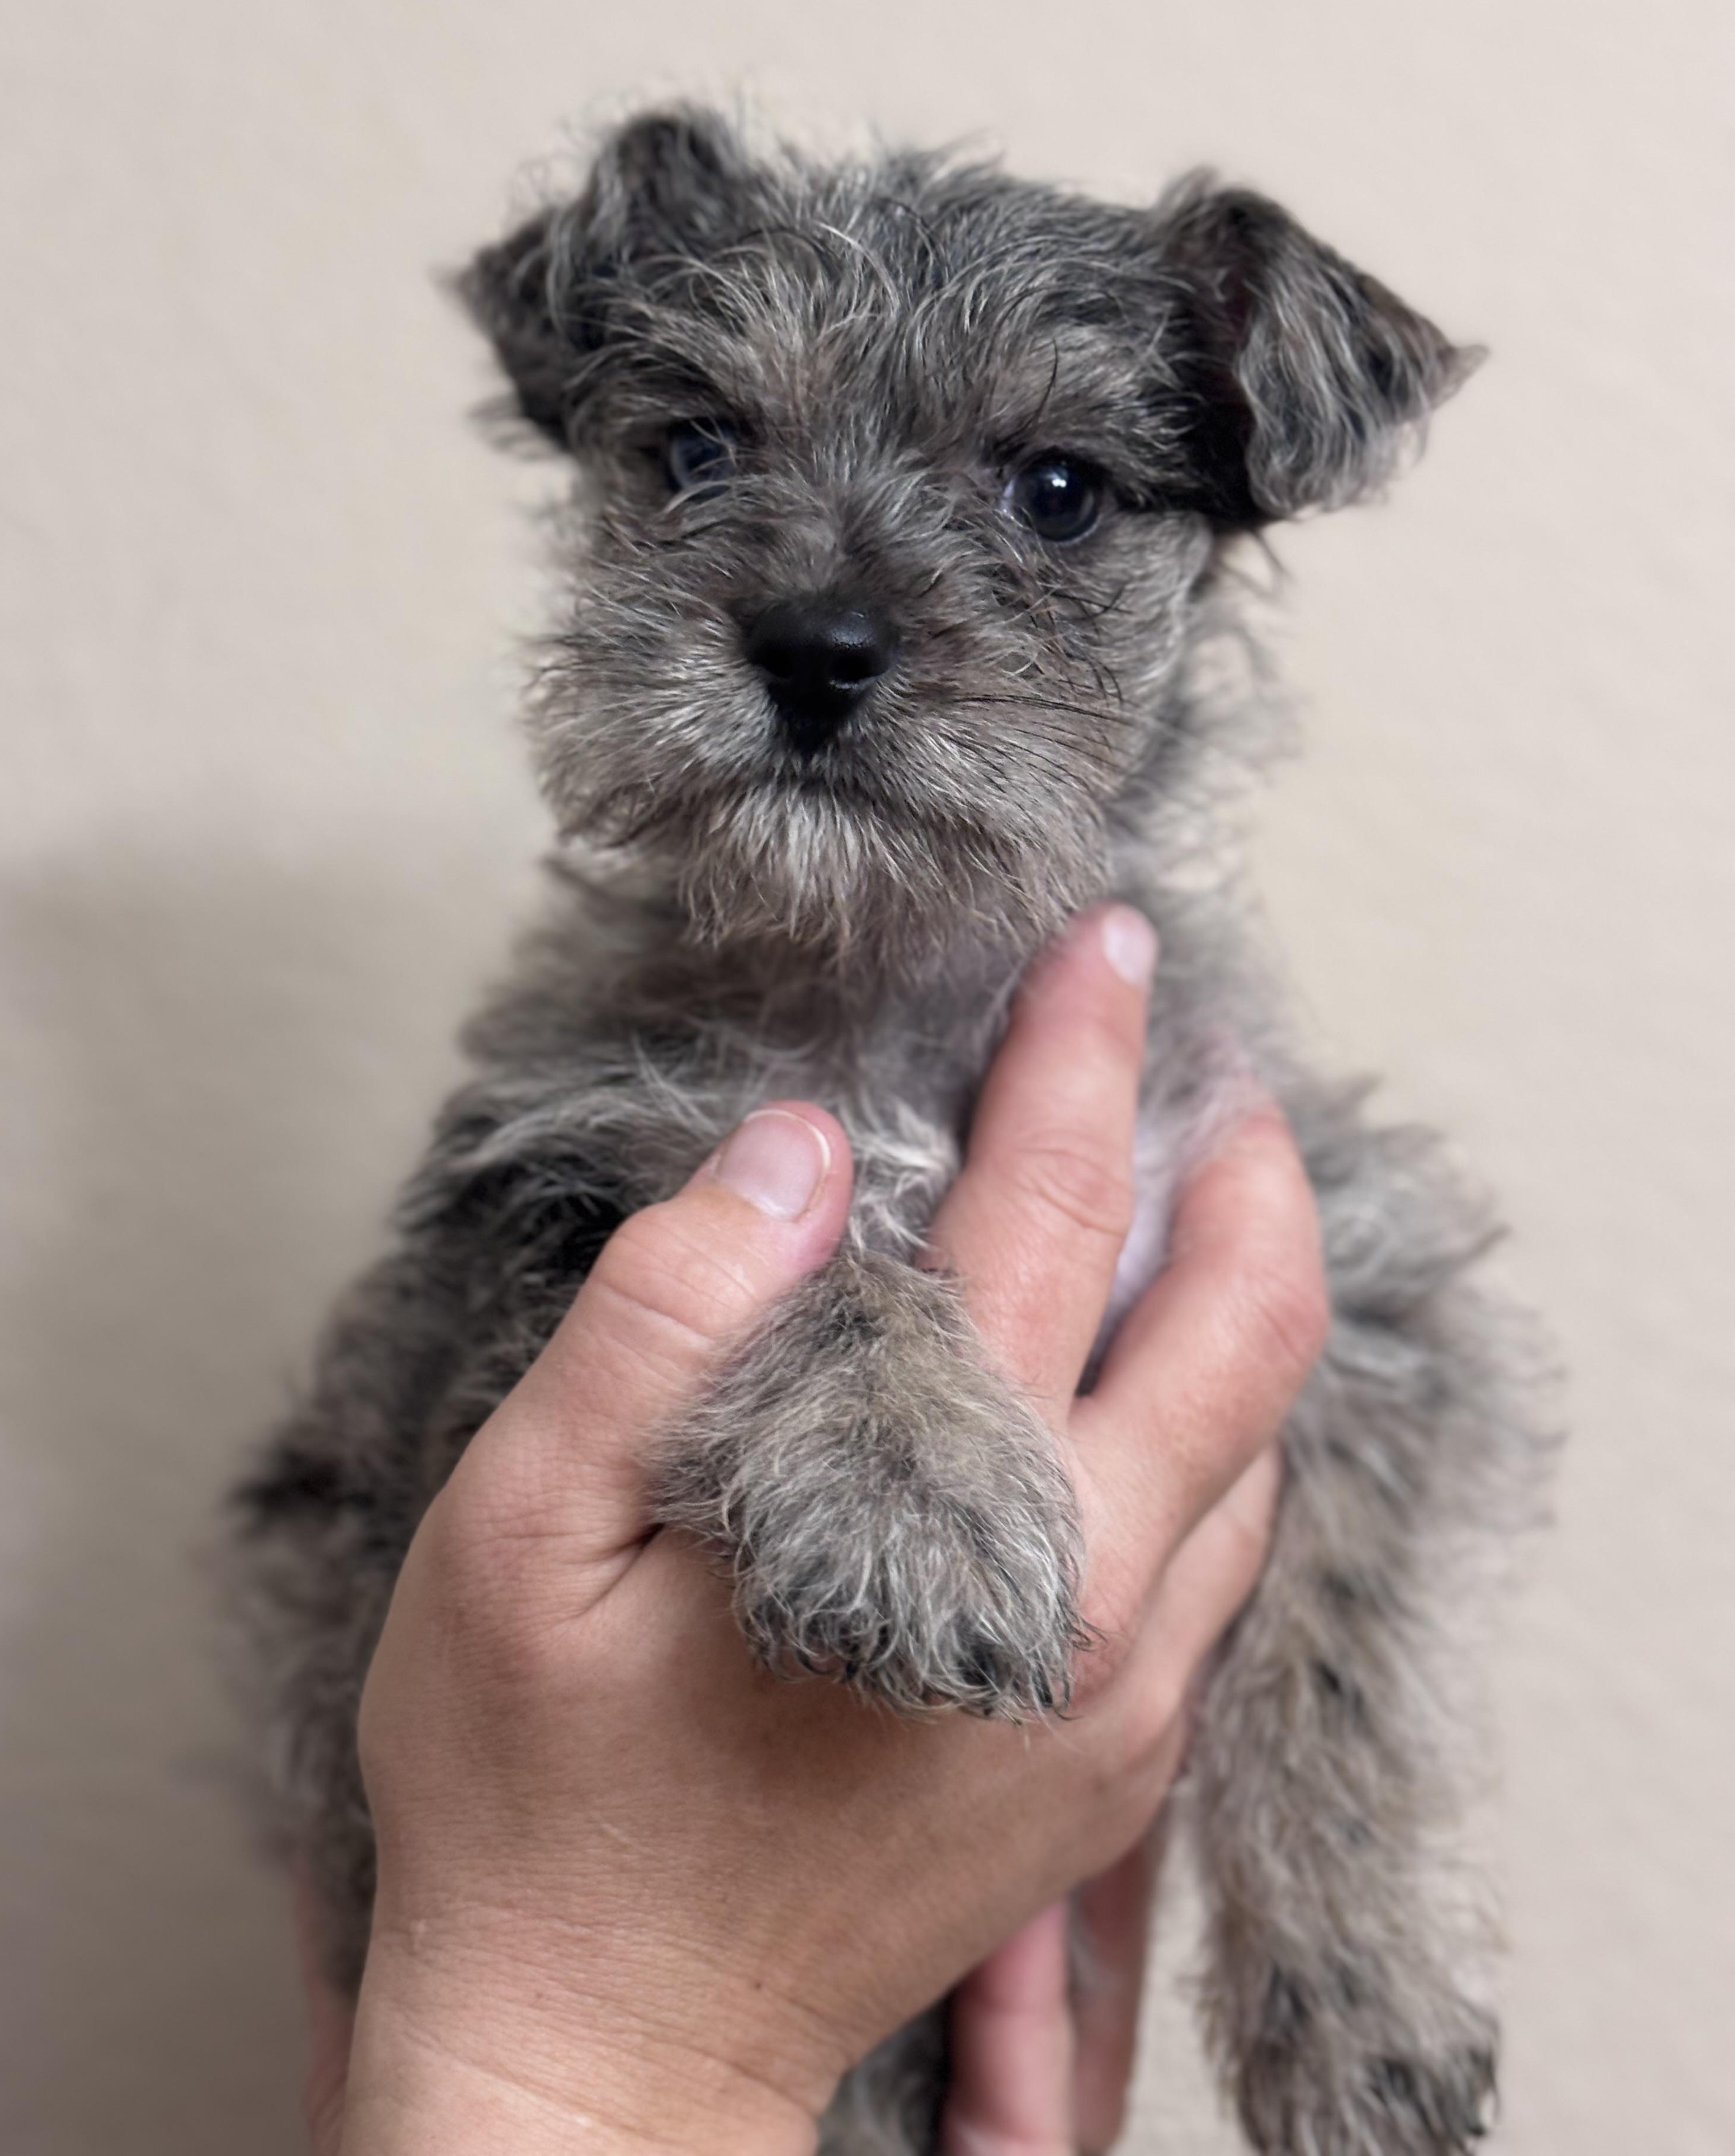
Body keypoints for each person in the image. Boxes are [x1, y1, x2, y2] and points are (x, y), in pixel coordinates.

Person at [291, 908, 1328, 2154]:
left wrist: (1331, 1900)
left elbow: (1373, 1406)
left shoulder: (1198, 1083)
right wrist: (630, 2067)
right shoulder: (581, 1104)